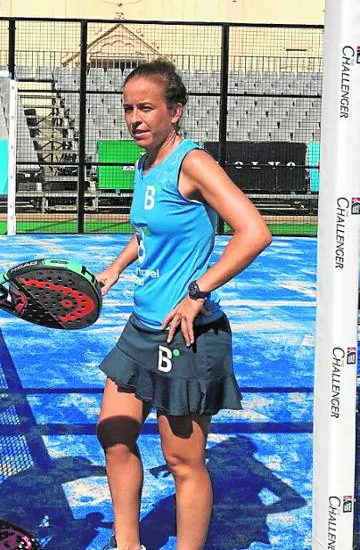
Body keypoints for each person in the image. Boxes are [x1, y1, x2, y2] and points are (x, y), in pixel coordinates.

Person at [95, 60, 272, 550]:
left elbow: (255, 233)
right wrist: (116, 267)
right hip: (140, 328)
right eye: (128, 108)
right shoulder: (144, 162)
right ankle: (126, 544)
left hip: (185, 335)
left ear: (175, 111)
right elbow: (147, 230)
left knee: (182, 462)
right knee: (113, 434)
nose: (135, 118)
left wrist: (198, 293)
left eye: (146, 107)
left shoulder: (192, 163)